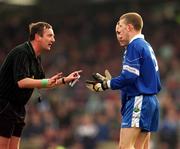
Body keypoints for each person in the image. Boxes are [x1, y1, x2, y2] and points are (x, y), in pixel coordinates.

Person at [0, 22, 81, 149]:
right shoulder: (22, 52)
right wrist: (45, 82)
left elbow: (42, 83)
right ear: (38, 37)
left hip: (18, 107)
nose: (53, 40)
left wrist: (66, 79)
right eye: (50, 36)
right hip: (4, 105)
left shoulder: (36, 58)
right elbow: (22, 82)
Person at [86, 12, 161, 149]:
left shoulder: (134, 46)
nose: (118, 36)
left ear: (129, 27)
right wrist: (111, 82)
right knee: (140, 147)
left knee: (124, 147)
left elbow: (128, 77)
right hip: (150, 101)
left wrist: (106, 85)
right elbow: (135, 79)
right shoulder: (145, 45)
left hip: (139, 101)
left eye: (120, 31)